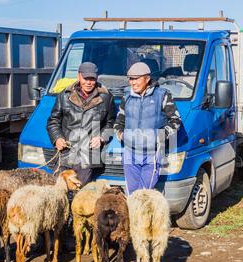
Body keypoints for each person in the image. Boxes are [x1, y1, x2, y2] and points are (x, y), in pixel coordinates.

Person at [114, 62, 182, 195]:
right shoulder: (126, 96)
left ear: (147, 79)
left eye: (136, 78)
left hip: (152, 153)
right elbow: (119, 121)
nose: (132, 82)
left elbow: (176, 120)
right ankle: (133, 216)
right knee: (131, 194)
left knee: (144, 193)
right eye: (130, 79)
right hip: (130, 153)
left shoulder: (162, 95)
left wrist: (159, 137)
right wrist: (121, 134)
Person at [47, 62, 115, 185]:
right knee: (59, 191)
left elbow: (111, 123)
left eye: (92, 79)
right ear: (78, 76)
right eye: (85, 78)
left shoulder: (106, 97)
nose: (89, 82)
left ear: (97, 78)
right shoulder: (64, 95)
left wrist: (101, 137)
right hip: (65, 153)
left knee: (80, 194)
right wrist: (57, 138)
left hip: (87, 156)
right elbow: (53, 121)